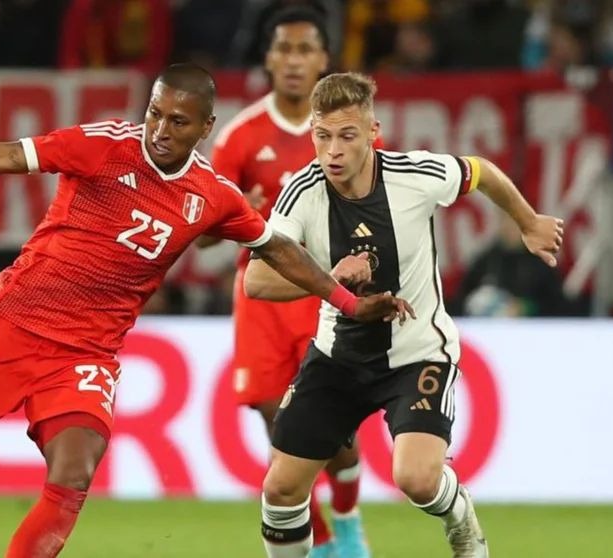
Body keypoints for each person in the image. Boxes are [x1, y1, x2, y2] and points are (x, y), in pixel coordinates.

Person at [0, 63, 412, 558]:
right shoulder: (102, 146)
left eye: (178, 121)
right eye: (155, 113)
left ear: (205, 127)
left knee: (75, 473)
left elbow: (277, 249)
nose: (160, 129)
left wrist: (345, 301)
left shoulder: (213, 195)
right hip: (10, 322)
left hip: (85, 353)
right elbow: (8, 154)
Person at [244, 72, 564, 558]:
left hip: (417, 356)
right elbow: (257, 281)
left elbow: (481, 171)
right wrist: (333, 280)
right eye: (322, 136)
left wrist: (528, 222)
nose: (332, 151)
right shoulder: (301, 193)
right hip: (337, 360)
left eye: (346, 136)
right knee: (281, 491)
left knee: (415, 479)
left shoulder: (416, 176)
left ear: (372, 133)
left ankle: (460, 518)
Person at [209, 7, 380, 557]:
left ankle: (349, 517)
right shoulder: (240, 138)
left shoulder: (347, 130)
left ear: (324, 60)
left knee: (336, 439)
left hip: (326, 297)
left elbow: (379, 204)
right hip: (261, 296)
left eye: (305, 50)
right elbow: (201, 230)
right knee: (279, 425)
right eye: (284, 49)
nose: (293, 61)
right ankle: (325, 543)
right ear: (268, 58)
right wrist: (235, 218)